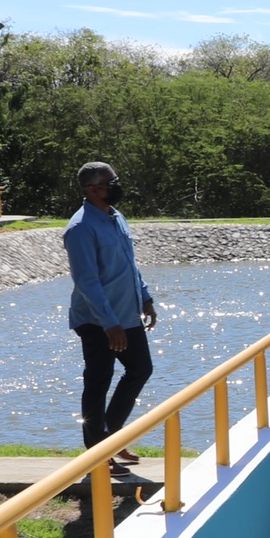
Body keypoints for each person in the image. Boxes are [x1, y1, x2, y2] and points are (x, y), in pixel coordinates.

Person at [64, 161, 157, 474]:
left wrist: (145, 297)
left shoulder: (116, 217)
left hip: (127, 314)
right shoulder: (80, 228)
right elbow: (86, 281)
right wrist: (110, 323)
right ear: (93, 190)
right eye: (111, 182)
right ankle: (97, 455)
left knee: (140, 369)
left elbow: (130, 264)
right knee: (98, 381)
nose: (117, 186)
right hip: (97, 321)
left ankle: (111, 437)